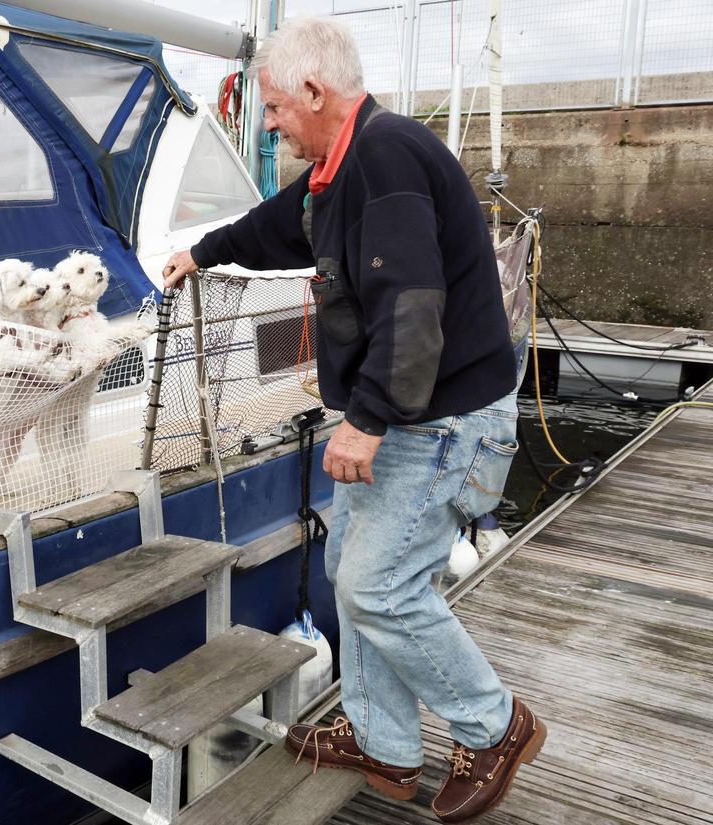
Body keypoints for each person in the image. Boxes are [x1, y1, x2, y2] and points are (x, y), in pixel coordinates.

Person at [162, 17, 546, 824]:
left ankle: (495, 726)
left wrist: (365, 420)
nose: (269, 125)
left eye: (274, 109)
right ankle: (385, 743)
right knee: (351, 570)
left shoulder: (386, 156)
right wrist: (204, 251)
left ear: (314, 91)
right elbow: (280, 224)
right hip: (410, 414)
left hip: (441, 420)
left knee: (378, 586)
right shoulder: (340, 169)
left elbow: (412, 304)